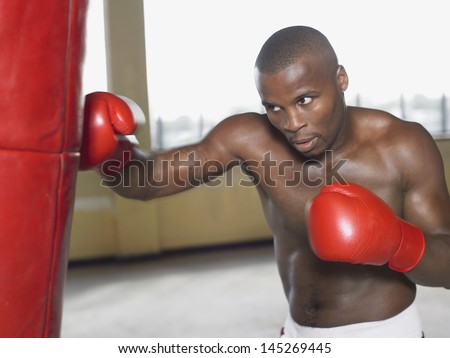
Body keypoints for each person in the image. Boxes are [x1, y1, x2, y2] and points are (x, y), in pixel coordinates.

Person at [79, 26, 450, 338]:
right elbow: (147, 183)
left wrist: (396, 243)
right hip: (295, 335)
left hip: (384, 338)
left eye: (305, 99)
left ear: (340, 79)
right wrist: (112, 154)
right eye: (274, 106)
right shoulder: (250, 138)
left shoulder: (402, 146)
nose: (292, 123)